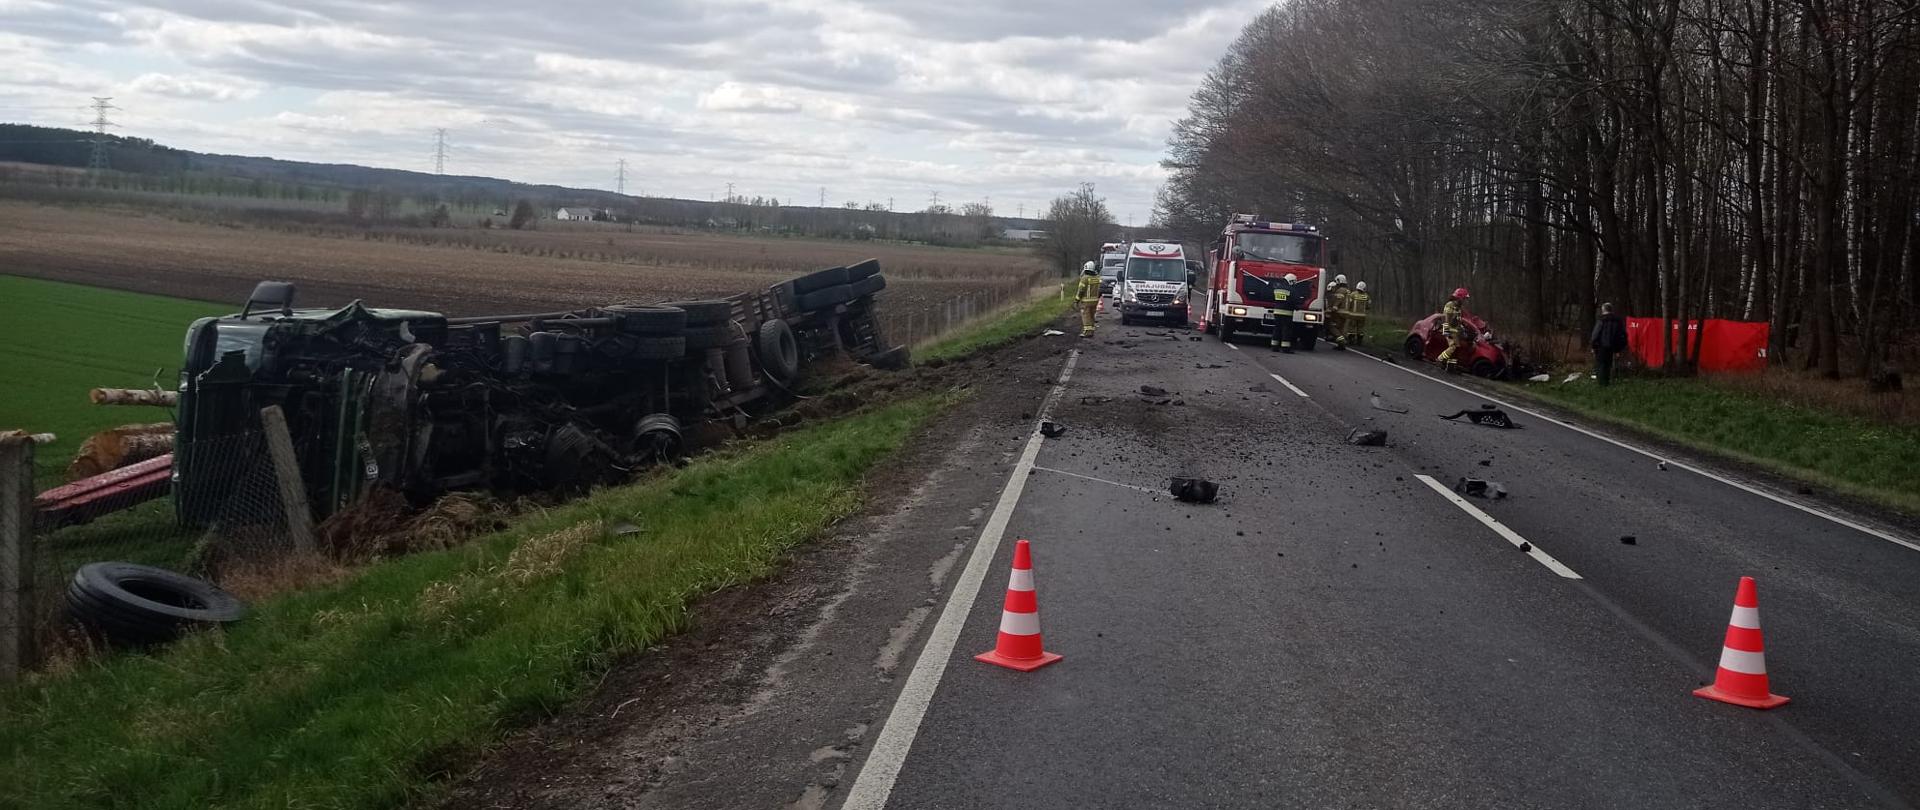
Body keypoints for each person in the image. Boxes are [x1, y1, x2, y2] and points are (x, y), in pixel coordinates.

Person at [1590, 302, 1629, 385]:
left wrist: (1593, 345)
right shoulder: (1618, 321)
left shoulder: (1601, 320)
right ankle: (1607, 381)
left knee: (1601, 364)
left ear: (1603, 310)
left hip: (1601, 346)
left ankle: (1602, 383)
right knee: (1609, 364)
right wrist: (1619, 348)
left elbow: (1595, 334)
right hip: (1613, 347)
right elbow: (1623, 335)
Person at [1435, 287, 1472, 371]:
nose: (1465, 301)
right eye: (1464, 298)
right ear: (1459, 297)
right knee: (1453, 347)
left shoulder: (1458, 307)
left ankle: (1451, 366)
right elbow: (1446, 318)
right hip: (1449, 331)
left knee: (1456, 348)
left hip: (1455, 332)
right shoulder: (1450, 305)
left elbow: (1458, 320)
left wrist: (1462, 330)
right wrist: (1446, 332)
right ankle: (1440, 359)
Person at [1270, 273, 1300, 353]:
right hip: (1287, 313)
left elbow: (1272, 298)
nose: (1294, 284)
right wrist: (1297, 307)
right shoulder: (1291, 290)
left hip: (1277, 312)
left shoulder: (1277, 288)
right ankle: (1285, 348)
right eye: (1294, 282)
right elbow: (1295, 301)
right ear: (1291, 281)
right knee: (1286, 330)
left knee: (1277, 329)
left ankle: (1274, 346)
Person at [1075, 261, 1102, 338]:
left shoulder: (1085, 278)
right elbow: (1100, 289)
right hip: (1095, 301)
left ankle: (1087, 332)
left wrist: (1077, 300)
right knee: (1092, 316)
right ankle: (1091, 331)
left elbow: (1081, 290)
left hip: (1086, 301)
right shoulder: (1097, 278)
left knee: (1086, 316)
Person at [1325, 274, 1351, 347]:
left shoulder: (1340, 290)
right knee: (1340, 328)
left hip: (1340, 312)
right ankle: (1341, 345)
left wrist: (1333, 308)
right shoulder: (1348, 291)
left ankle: (1342, 341)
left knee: (1332, 326)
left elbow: (1338, 300)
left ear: (1339, 281)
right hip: (1347, 312)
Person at [1343, 281, 1371, 345]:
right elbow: (1368, 306)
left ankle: (1351, 340)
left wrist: (1348, 310)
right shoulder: (1367, 296)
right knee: (1360, 328)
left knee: (1351, 327)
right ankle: (1359, 341)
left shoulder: (1353, 294)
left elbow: (1349, 303)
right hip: (1362, 316)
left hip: (1353, 315)